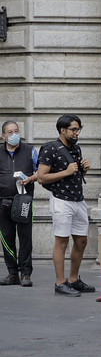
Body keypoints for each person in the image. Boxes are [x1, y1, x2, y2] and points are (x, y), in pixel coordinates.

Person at [37, 114, 94, 297]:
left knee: (81, 241)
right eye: (74, 129)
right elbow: (41, 177)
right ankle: (60, 282)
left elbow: (74, 175)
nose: (77, 133)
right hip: (61, 200)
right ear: (63, 130)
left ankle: (73, 279)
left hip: (78, 199)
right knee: (62, 242)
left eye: (78, 129)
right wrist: (66, 171)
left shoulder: (76, 148)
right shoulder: (50, 148)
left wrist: (82, 169)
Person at [0, 121, 38, 287]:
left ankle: (26, 273)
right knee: (6, 238)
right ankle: (12, 273)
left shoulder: (30, 150)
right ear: (3, 136)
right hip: (2, 201)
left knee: (25, 237)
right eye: (10, 132)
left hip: (23, 200)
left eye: (16, 131)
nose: (14, 134)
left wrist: (30, 178)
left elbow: (41, 172)